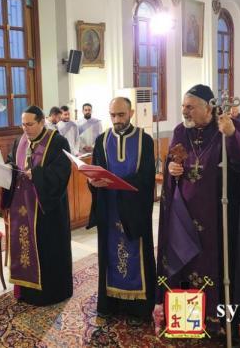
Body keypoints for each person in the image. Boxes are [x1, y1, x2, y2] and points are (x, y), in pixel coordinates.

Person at [157, 84, 240, 342]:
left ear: (208, 108)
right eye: (183, 106)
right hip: (184, 217)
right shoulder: (180, 131)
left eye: (190, 107)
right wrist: (171, 170)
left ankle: (222, 322)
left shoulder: (230, 127)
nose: (184, 111)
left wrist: (231, 135)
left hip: (220, 217)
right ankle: (187, 319)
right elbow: (172, 161)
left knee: (223, 268)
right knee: (185, 266)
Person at [87, 97, 156, 325]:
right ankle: (110, 305)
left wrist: (122, 184)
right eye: (113, 115)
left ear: (131, 113)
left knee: (136, 255)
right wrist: (93, 182)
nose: (116, 120)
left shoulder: (145, 140)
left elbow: (147, 177)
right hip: (109, 210)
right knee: (109, 256)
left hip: (134, 211)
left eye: (121, 115)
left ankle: (138, 310)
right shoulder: (102, 140)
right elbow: (96, 170)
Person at [1, 105, 73, 305]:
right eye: (23, 124)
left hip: (46, 209)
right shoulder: (20, 141)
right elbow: (12, 161)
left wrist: (37, 174)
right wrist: (6, 167)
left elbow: (62, 173)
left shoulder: (57, 142)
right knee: (23, 247)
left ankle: (50, 293)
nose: (26, 129)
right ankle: (26, 290)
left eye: (30, 124)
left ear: (42, 122)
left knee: (47, 249)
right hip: (21, 206)